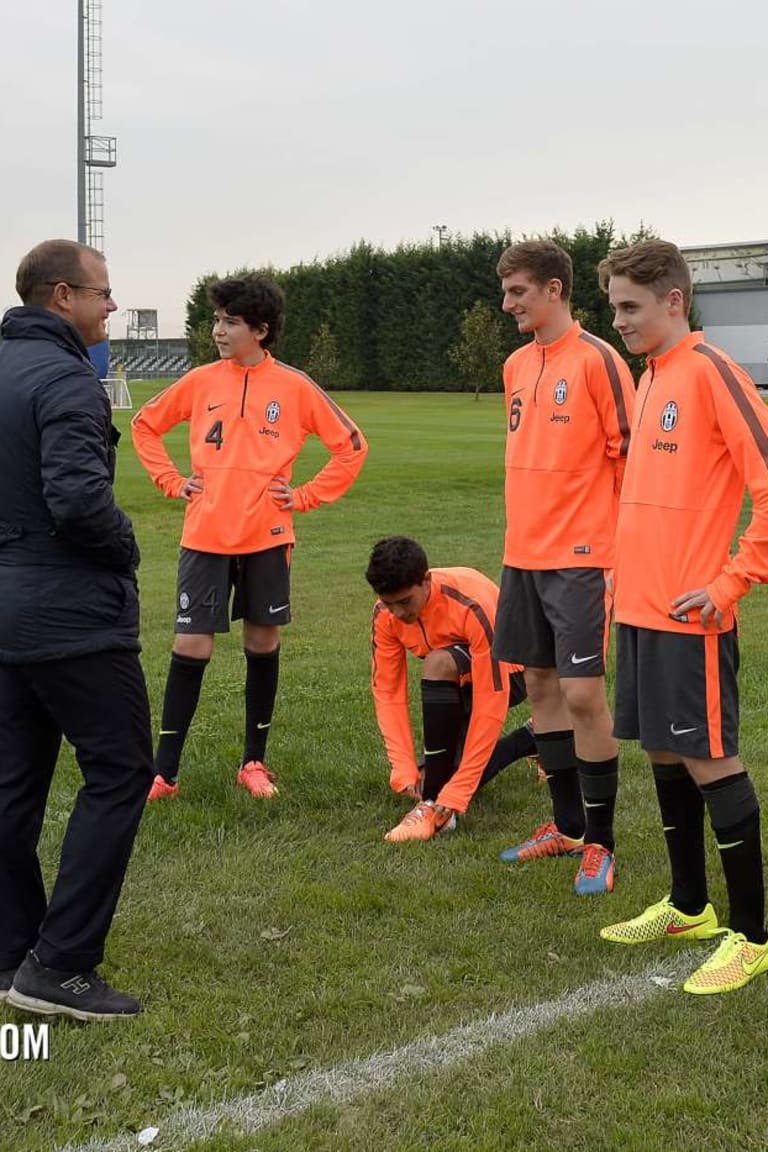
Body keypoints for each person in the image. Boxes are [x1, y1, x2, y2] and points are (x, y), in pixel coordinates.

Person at [597, 239, 768, 993]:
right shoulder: (649, 378)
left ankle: (754, 934)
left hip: (690, 612)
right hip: (638, 607)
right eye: (613, 309)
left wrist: (732, 581)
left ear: (675, 300)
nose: (620, 322)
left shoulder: (712, 373)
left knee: (709, 759)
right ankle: (690, 905)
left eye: (630, 308)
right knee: (663, 754)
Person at [132, 273, 368, 802]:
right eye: (217, 319)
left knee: (262, 641)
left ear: (260, 330)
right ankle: (163, 772)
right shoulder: (199, 381)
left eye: (229, 322)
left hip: (267, 536)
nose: (218, 330)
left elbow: (351, 445)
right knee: (191, 644)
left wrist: (305, 496)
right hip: (205, 535)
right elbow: (145, 426)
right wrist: (171, 481)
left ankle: (253, 763)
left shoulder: (295, 386)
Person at [0, 239, 153, 1020]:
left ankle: (11, 950)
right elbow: (78, 502)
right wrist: (125, 547)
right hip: (68, 613)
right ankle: (57, 966)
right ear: (62, 296)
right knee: (122, 769)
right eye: (102, 292)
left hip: (8, 608)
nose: (110, 305)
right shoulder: (65, 376)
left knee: (12, 784)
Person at [492, 239, 636, 895]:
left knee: (583, 695)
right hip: (522, 553)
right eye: (506, 292)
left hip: (582, 556)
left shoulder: (600, 360)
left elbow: (632, 459)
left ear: (554, 290)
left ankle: (601, 845)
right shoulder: (516, 364)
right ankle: (567, 826)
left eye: (518, 291)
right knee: (541, 690)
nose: (508, 304)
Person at [366, 536, 539, 842]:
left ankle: (430, 805)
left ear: (426, 580)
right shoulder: (386, 615)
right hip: (458, 679)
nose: (397, 613)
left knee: (438, 663)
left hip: (513, 673)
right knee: (438, 775)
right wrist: (403, 767)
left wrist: (459, 790)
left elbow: (491, 700)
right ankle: (531, 738)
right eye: (388, 603)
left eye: (405, 601)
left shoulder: (470, 604)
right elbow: (388, 692)